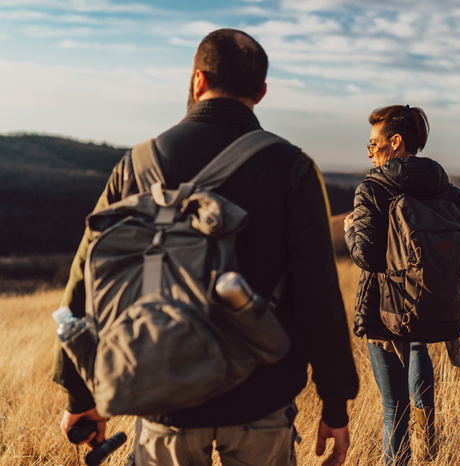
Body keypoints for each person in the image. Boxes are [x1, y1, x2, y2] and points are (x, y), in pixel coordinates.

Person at [53, 28, 359, 466]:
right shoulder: (292, 167)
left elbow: (86, 274)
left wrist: (81, 392)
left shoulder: (137, 165)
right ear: (261, 92)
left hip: (161, 392)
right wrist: (334, 402)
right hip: (261, 396)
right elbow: (318, 292)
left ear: (197, 80)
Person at [344, 105, 460, 465]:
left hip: (385, 314)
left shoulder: (372, 189)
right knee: (418, 347)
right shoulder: (452, 194)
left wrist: (349, 231)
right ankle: (430, 437)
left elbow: (367, 258)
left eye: (373, 143)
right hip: (438, 308)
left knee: (394, 411)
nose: (369, 151)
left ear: (396, 142)